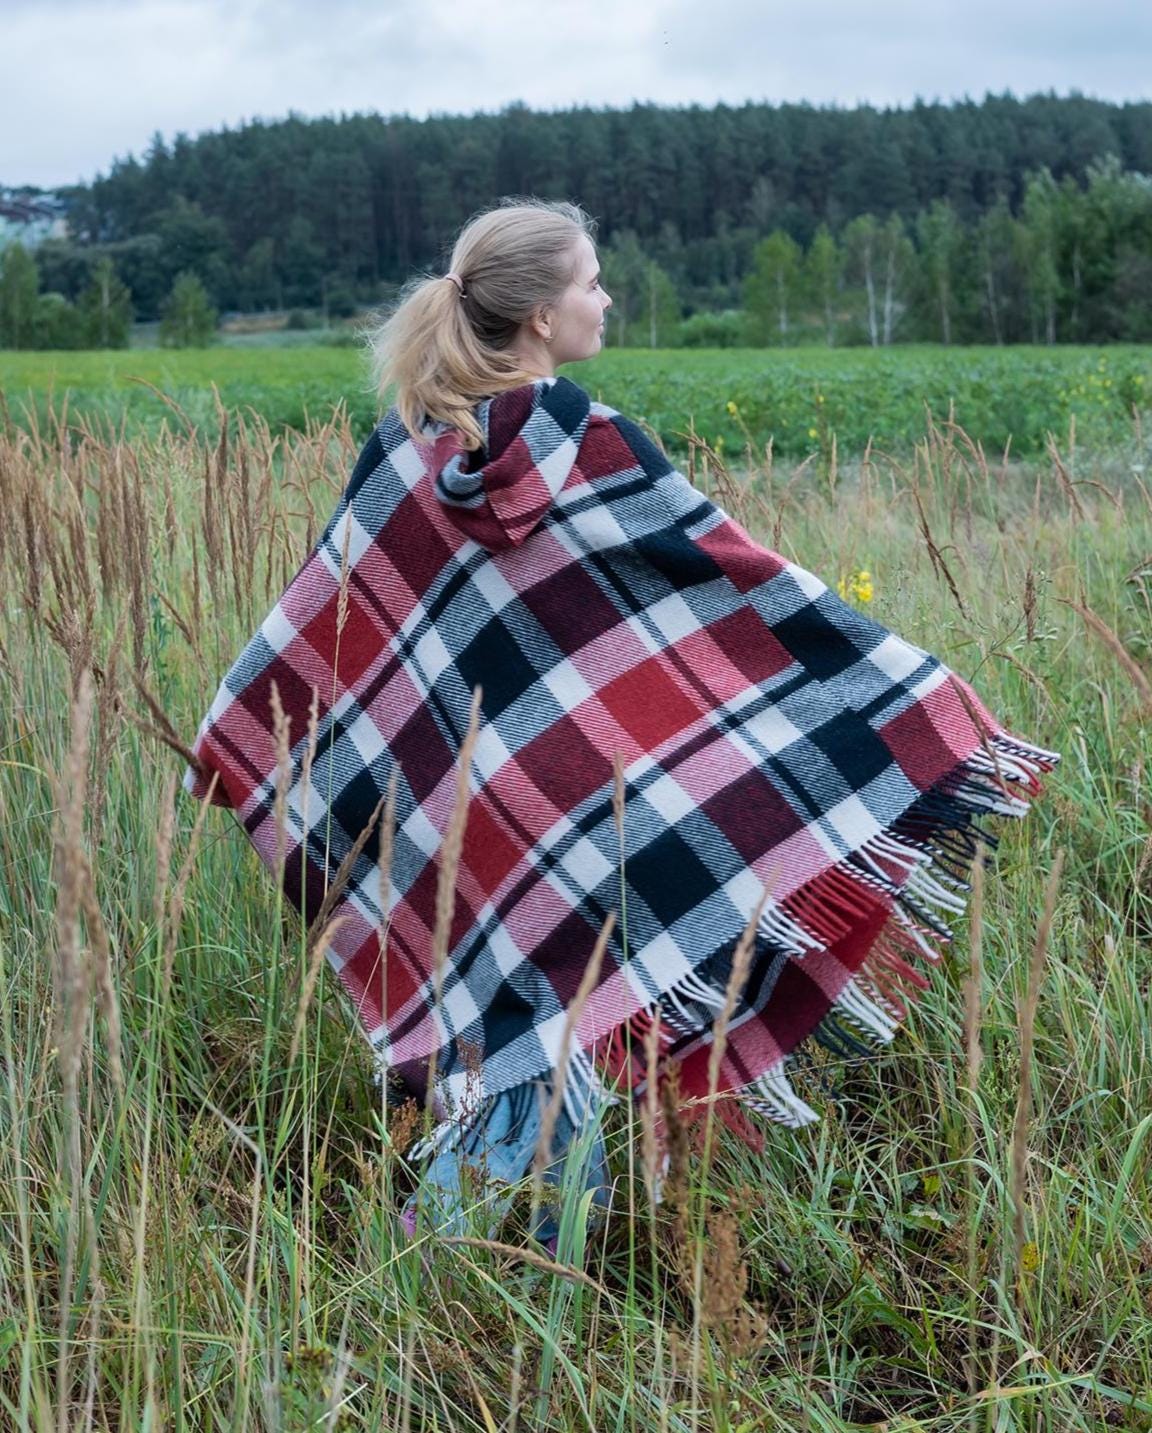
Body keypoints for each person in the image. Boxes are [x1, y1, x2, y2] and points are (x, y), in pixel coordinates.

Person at [183, 197, 1058, 1260]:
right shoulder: (589, 445)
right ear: (544, 316)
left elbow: (313, 642)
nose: (607, 297)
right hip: (573, 822)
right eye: (592, 281)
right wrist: (907, 694)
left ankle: (475, 1299)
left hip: (486, 831)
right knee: (555, 1051)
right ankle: (438, 1290)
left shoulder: (403, 457)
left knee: (530, 1053)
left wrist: (244, 743)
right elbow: (747, 591)